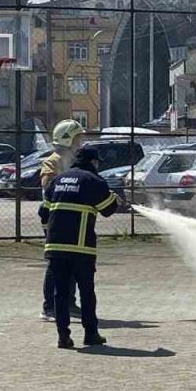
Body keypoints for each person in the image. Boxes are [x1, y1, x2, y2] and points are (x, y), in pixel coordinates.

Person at [39, 146, 120, 349]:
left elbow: (43, 213)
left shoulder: (58, 180)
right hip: (81, 248)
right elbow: (108, 210)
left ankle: (63, 337)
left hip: (56, 246)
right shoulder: (93, 181)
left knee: (61, 293)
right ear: (93, 162)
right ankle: (91, 334)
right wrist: (115, 199)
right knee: (86, 291)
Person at [39, 119, 86, 322]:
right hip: (55, 218)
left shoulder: (74, 161)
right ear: (67, 139)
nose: (80, 142)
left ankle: (69, 303)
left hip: (73, 219)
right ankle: (49, 307)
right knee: (56, 264)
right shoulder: (53, 161)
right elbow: (48, 186)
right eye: (77, 138)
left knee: (74, 261)